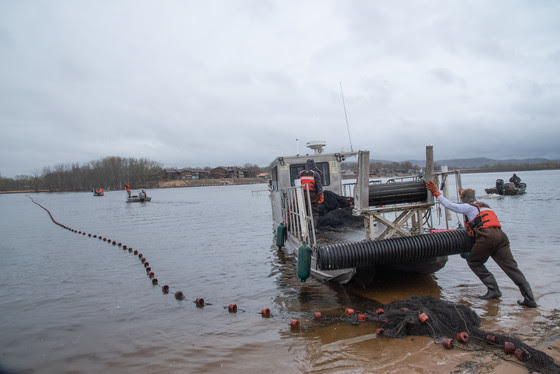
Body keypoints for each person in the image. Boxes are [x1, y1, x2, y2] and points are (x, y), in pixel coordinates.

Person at [426, 181, 537, 308]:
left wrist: (436, 193)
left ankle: (493, 290)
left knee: (474, 261)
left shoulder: (469, 207)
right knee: (511, 267)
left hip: (487, 237)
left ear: (465, 200)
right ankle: (530, 298)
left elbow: (450, 205)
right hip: (501, 236)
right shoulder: (485, 206)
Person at [298, 159, 324, 230]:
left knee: (304, 211)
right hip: (312, 195)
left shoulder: (300, 174)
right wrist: (321, 196)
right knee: (314, 212)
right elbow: (319, 186)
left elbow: (297, 185)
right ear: (313, 165)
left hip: (302, 195)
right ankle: (313, 229)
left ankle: (304, 228)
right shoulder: (315, 174)